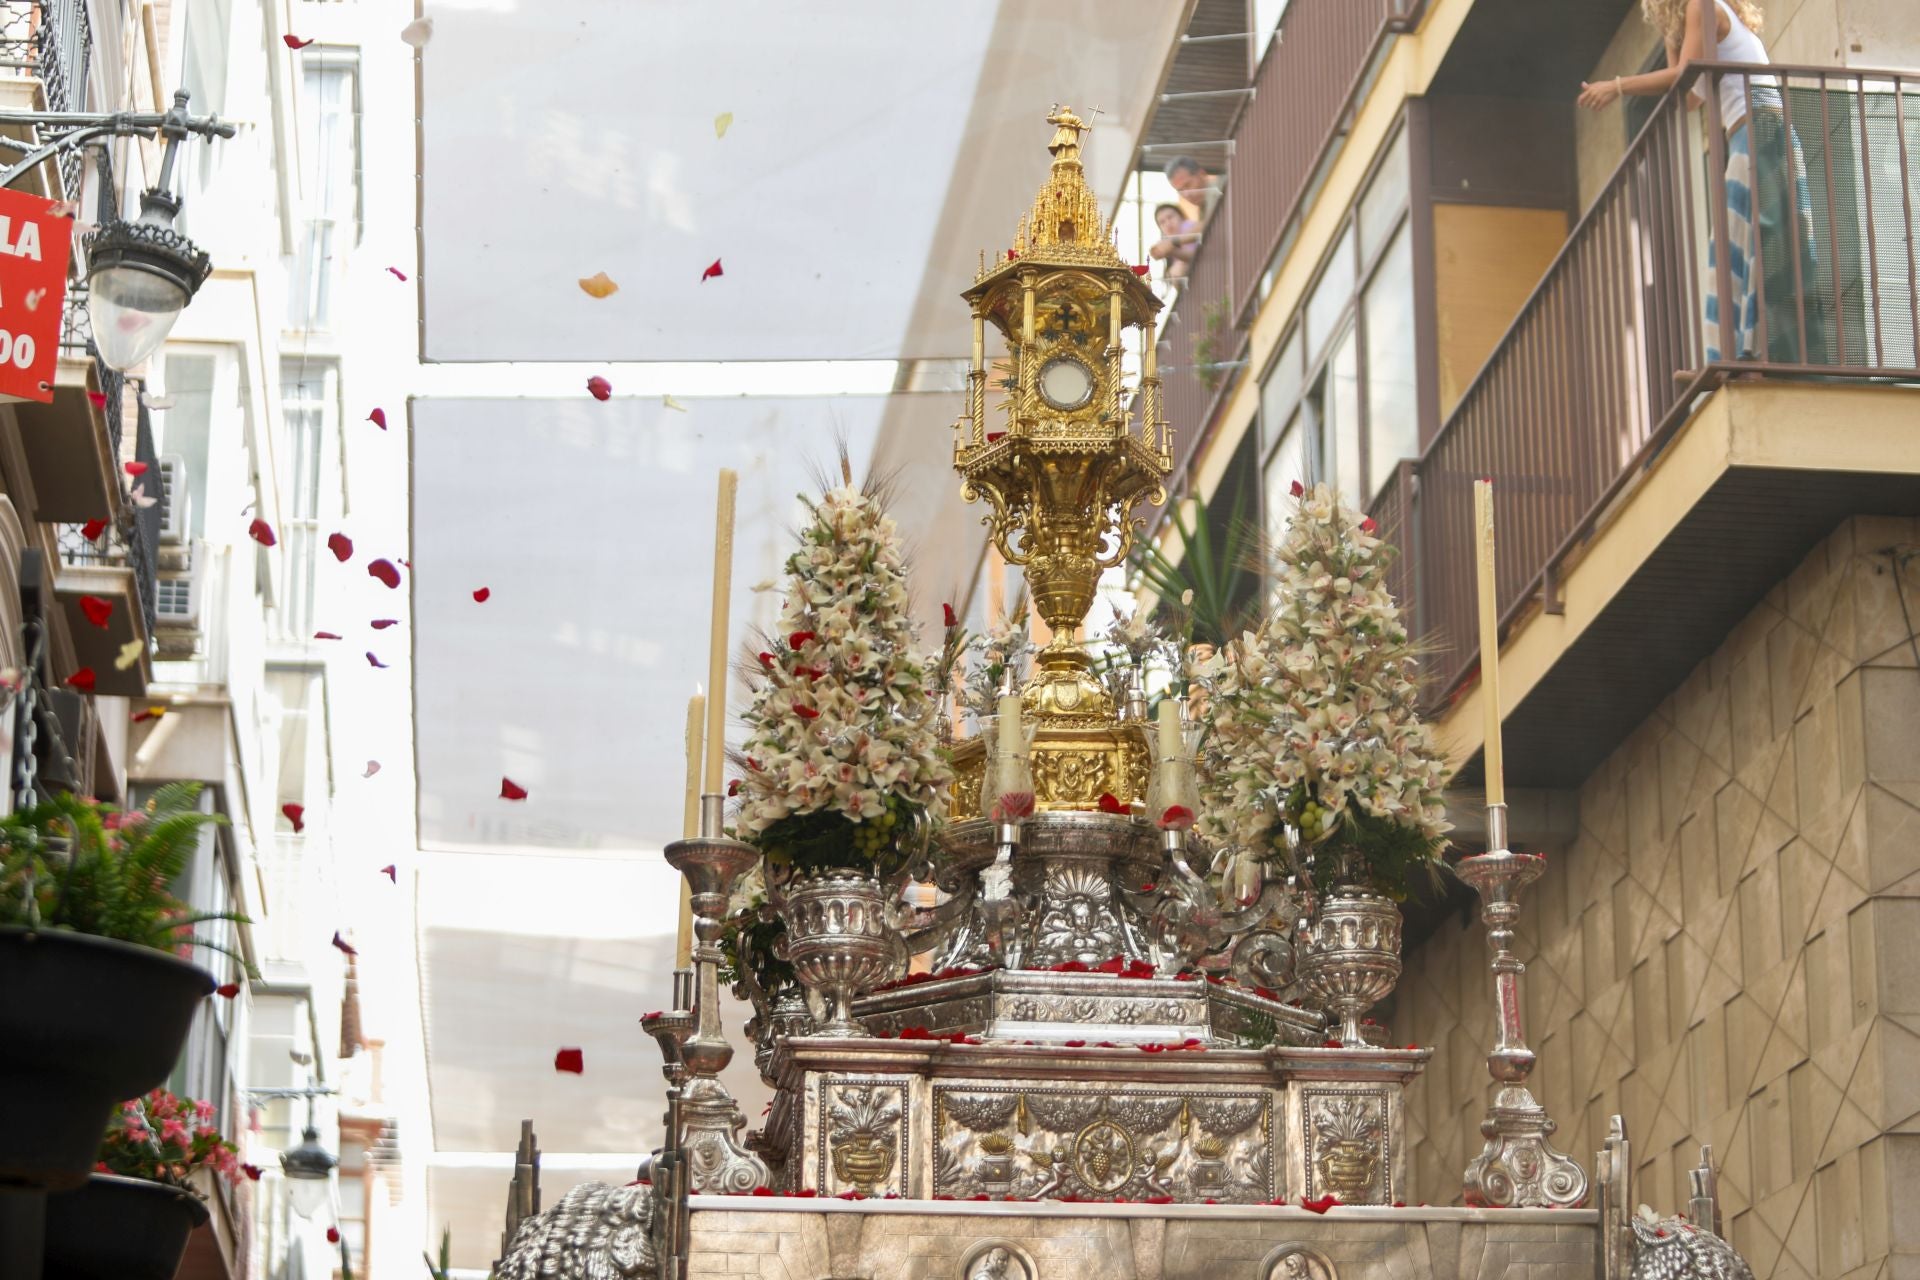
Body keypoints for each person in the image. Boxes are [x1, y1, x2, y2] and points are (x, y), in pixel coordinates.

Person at [1578, 0, 1826, 370]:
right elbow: (1692, 96)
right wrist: (1671, 34)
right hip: (1753, 134)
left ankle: (1753, 359)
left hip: (1759, 131)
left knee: (1753, 246)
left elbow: (1682, 79)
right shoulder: (1704, 13)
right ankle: (1735, 357)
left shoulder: (1703, 5)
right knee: (1736, 248)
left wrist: (1617, 85)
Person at [1148, 202, 1199, 281]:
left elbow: (1196, 256)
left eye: (1170, 217)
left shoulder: (1189, 226)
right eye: (1162, 222)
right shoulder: (1168, 244)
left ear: (1181, 216)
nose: (1168, 223)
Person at [1166, 156, 1220, 222]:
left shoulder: (1223, 191)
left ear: (1201, 174)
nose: (1187, 195)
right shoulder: (1203, 210)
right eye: (1180, 190)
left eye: (1188, 185)